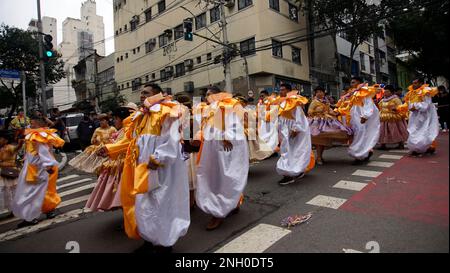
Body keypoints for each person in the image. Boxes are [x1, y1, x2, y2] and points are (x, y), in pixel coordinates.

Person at [99, 83, 190, 253]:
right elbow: (131, 140)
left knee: (162, 203)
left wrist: (158, 158)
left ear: (157, 94)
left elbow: (172, 140)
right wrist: (109, 149)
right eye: (141, 93)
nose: (142, 95)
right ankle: (149, 240)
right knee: (144, 205)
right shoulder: (140, 116)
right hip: (142, 169)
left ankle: (165, 243)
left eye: (146, 93)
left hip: (162, 169)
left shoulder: (168, 112)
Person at [195, 86, 248, 230]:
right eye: (206, 95)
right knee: (213, 177)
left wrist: (227, 137)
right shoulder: (207, 109)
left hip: (225, 146)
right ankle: (229, 204)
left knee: (225, 177)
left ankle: (218, 212)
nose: (207, 97)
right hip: (210, 147)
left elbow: (236, 124)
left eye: (209, 94)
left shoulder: (229, 104)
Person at [12, 114, 64, 228]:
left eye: (32, 122)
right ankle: (44, 212)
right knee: (40, 191)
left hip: (37, 169)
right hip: (36, 168)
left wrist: (48, 166)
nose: (30, 124)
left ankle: (31, 217)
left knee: (29, 193)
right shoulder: (42, 134)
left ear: (38, 123)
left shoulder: (38, 135)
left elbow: (44, 152)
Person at [85, 106, 135, 212]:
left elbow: (124, 144)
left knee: (123, 193)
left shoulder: (127, 129)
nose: (114, 121)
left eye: (115, 119)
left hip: (124, 164)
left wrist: (108, 149)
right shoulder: (121, 129)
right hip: (117, 161)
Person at [276, 84, 314, 185]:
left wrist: (295, 129)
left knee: (293, 152)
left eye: (283, 90)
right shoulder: (282, 102)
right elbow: (281, 118)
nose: (280, 92)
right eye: (280, 90)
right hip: (286, 131)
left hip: (294, 131)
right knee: (289, 152)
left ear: (288, 91)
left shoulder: (294, 102)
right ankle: (296, 171)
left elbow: (300, 117)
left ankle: (289, 175)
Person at [308, 86, 353, 165]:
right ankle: (318, 157)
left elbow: (329, 110)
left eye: (321, 92)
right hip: (317, 122)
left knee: (323, 140)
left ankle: (319, 157)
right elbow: (310, 112)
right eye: (317, 92)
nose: (319, 93)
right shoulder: (314, 102)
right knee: (319, 140)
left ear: (324, 93)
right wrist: (317, 115)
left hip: (326, 121)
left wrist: (336, 113)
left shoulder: (326, 101)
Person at [341, 77, 380, 165]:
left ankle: (360, 156)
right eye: (351, 82)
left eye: (353, 82)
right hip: (355, 116)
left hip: (361, 116)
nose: (351, 84)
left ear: (359, 82)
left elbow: (368, 104)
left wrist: (365, 116)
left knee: (361, 135)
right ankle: (365, 153)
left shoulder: (364, 91)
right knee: (357, 135)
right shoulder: (354, 92)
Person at [398, 78, 439, 156]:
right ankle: (416, 148)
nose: (414, 84)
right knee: (413, 131)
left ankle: (423, 148)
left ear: (420, 84)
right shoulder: (410, 93)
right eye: (413, 83)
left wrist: (416, 107)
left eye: (416, 83)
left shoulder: (425, 91)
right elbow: (408, 104)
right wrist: (400, 108)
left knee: (423, 132)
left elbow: (426, 105)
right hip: (414, 116)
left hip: (424, 116)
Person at [377, 85, 408, 150]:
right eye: (385, 92)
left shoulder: (396, 99)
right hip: (383, 117)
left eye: (387, 92)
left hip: (393, 118)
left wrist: (396, 109)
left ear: (392, 92)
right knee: (383, 131)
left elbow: (401, 107)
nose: (385, 93)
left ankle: (400, 144)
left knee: (396, 131)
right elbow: (380, 107)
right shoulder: (383, 100)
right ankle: (383, 144)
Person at [0, 130, 22, 216]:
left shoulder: (9, 147)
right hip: (2, 173)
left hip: (10, 173)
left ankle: (17, 209)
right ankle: (13, 209)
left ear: (5, 140)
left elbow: (16, 148)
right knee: (6, 193)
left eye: (0, 138)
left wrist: (20, 144)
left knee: (13, 192)